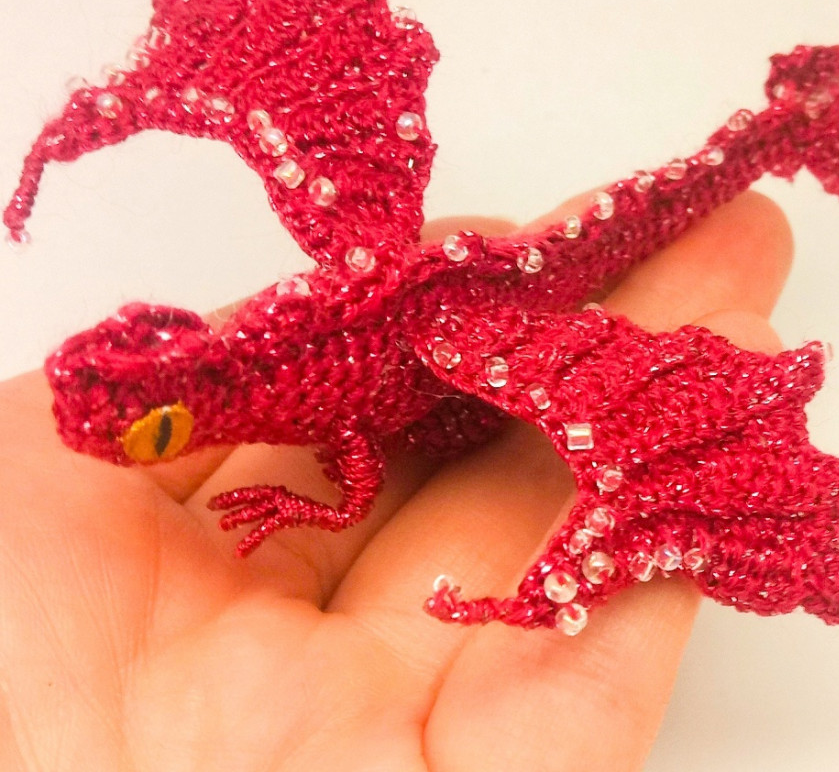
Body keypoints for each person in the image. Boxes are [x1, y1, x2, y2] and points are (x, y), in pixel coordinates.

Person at [0, 190, 791, 771]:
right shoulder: (263, 374)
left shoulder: (290, 396)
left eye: (155, 435)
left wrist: (308, 504)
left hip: (453, 341)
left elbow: (356, 470)